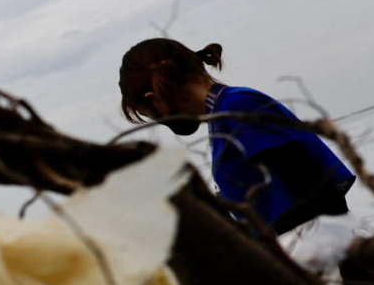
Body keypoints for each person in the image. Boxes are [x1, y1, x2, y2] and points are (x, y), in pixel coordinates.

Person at [118, 39, 354, 236]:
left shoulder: (238, 106)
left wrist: (356, 278)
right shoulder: (223, 114)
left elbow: (315, 183)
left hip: (323, 246)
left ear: (154, 98)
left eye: (146, 113)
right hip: (313, 247)